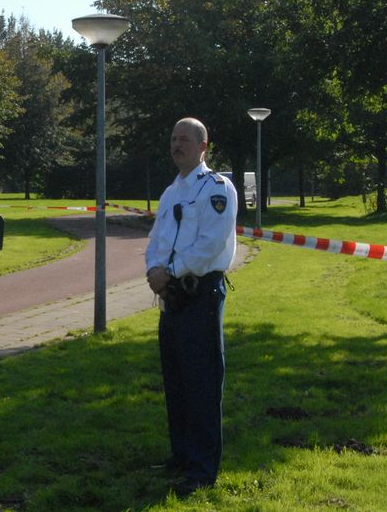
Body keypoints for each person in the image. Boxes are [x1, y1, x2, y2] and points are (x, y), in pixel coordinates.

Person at [144, 117, 238, 496]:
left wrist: (170, 271)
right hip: (172, 297)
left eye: (184, 139)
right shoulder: (171, 192)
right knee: (177, 380)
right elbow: (157, 239)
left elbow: (211, 244)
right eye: (173, 138)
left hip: (199, 295)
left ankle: (202, 469)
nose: (176, 144)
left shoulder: (216, 188)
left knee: (201, 383)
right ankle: (182, 455)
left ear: (203, 146)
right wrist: (153, 270)